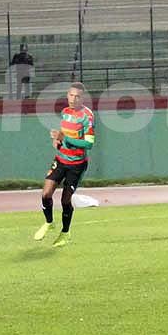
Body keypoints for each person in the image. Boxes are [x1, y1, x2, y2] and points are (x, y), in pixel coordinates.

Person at [35, 82, 95, 247]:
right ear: (67, 95)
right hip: (61, 160)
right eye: (71, 95)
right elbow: (63, 135)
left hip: (76, 164)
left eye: (77, 96)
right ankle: (49, 223)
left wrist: (65, 139)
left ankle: (65, 233)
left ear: (82, 98)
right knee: (46, 193)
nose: (73, 99)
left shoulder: (87, 116)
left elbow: (89, 144)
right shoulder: (65, 112)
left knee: (65, 200)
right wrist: (57, 141)